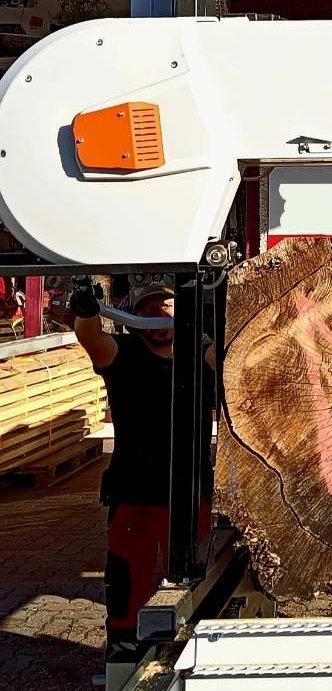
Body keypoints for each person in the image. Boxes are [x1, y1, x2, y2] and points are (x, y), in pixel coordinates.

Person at [70, 279, 216, 663]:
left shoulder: (199, 354)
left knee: (195, 576)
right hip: (134, 491)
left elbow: (229, 360)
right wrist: (86, 312)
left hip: (191, 492)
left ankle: (191, 646)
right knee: (127, 576)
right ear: (134, 317)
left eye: (165, 306)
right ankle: (123, 647)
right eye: (147, 309)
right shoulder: (124, 353)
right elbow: (91, 338)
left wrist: (209, 335)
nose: (157, 315)